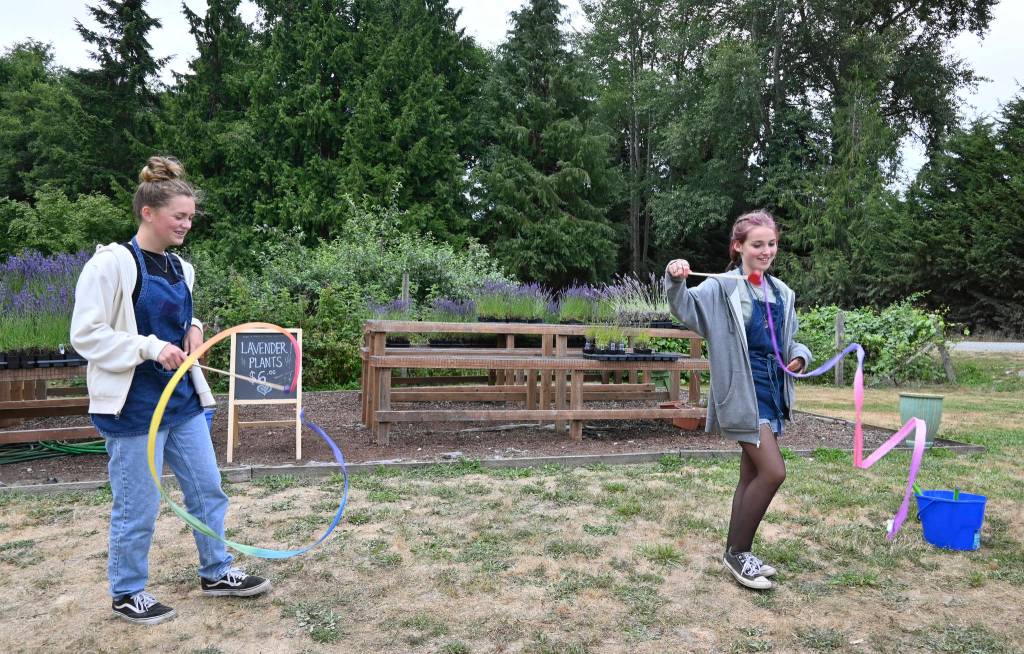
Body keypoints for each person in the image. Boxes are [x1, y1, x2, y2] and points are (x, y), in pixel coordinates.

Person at [71, 156, 270, 625]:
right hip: (134, 408)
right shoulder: (112, 264)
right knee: (138, 506)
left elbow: (183, 317)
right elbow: (87, 334)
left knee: (208, 490)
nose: (186, 224)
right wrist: (150, 347)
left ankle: (217, 571)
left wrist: (194, 330)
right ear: (148, 212)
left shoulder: (182, 267)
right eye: (179, 216)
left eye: (190, 218)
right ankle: (127, 592)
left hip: (181, 403)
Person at [665, 210, 812, 590]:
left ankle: (735, 551)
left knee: (751, 475)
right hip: (741, 393)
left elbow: (791, 338)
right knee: (773, 471)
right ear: (738, 247)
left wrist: (799, 356)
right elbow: (685, 309)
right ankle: (739, 555)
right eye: (757, 244)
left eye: (771, 244)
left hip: (772, 391)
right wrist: (674, 278)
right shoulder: (720, 287)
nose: (766, 251)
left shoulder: (781, 292)